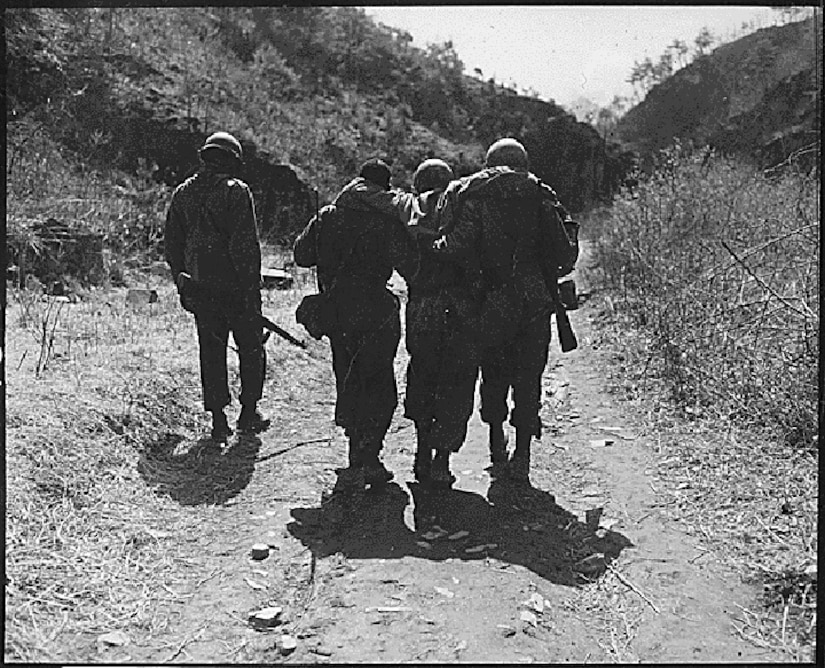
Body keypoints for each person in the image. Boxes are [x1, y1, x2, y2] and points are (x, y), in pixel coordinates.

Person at [433, 138, 579, 483]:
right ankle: (523, 454)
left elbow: (456, 246)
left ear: (490, 162)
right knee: (528, 378)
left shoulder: (471, 193)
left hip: (487, 301)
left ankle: (497, 444)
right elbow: (564, 256)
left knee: (493, 373)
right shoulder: (540, 194)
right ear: (523, 162)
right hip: (533, 303)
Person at [293, 159, 416, 489]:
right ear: (383, 189)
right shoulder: (387, 220)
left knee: (347, 377)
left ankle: (353, 455)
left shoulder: (329, 214)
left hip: (337, 311)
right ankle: (370, 456)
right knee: (380, 384)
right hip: (377, 310)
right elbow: (409, 266)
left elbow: (301, 255)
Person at [165, 131, 270, 441]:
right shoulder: (236, 192)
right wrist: (251, 291)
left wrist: (183, 284)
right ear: (232, 161)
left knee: (211, 352)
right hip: (236, 291)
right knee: (251, 349)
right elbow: (245, 247)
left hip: (200, 289)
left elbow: (173, 247)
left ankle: (218, 420)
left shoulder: (182, 193)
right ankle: (249, 412)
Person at [397, 159, 479, 487]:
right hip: (461, 309)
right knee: (456, 382)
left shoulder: (408, 213)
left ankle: (420, 451)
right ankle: (442, 460)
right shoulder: (466, 208)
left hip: (422, 309)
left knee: (423, 374)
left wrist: (418, 278)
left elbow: (400, 259)